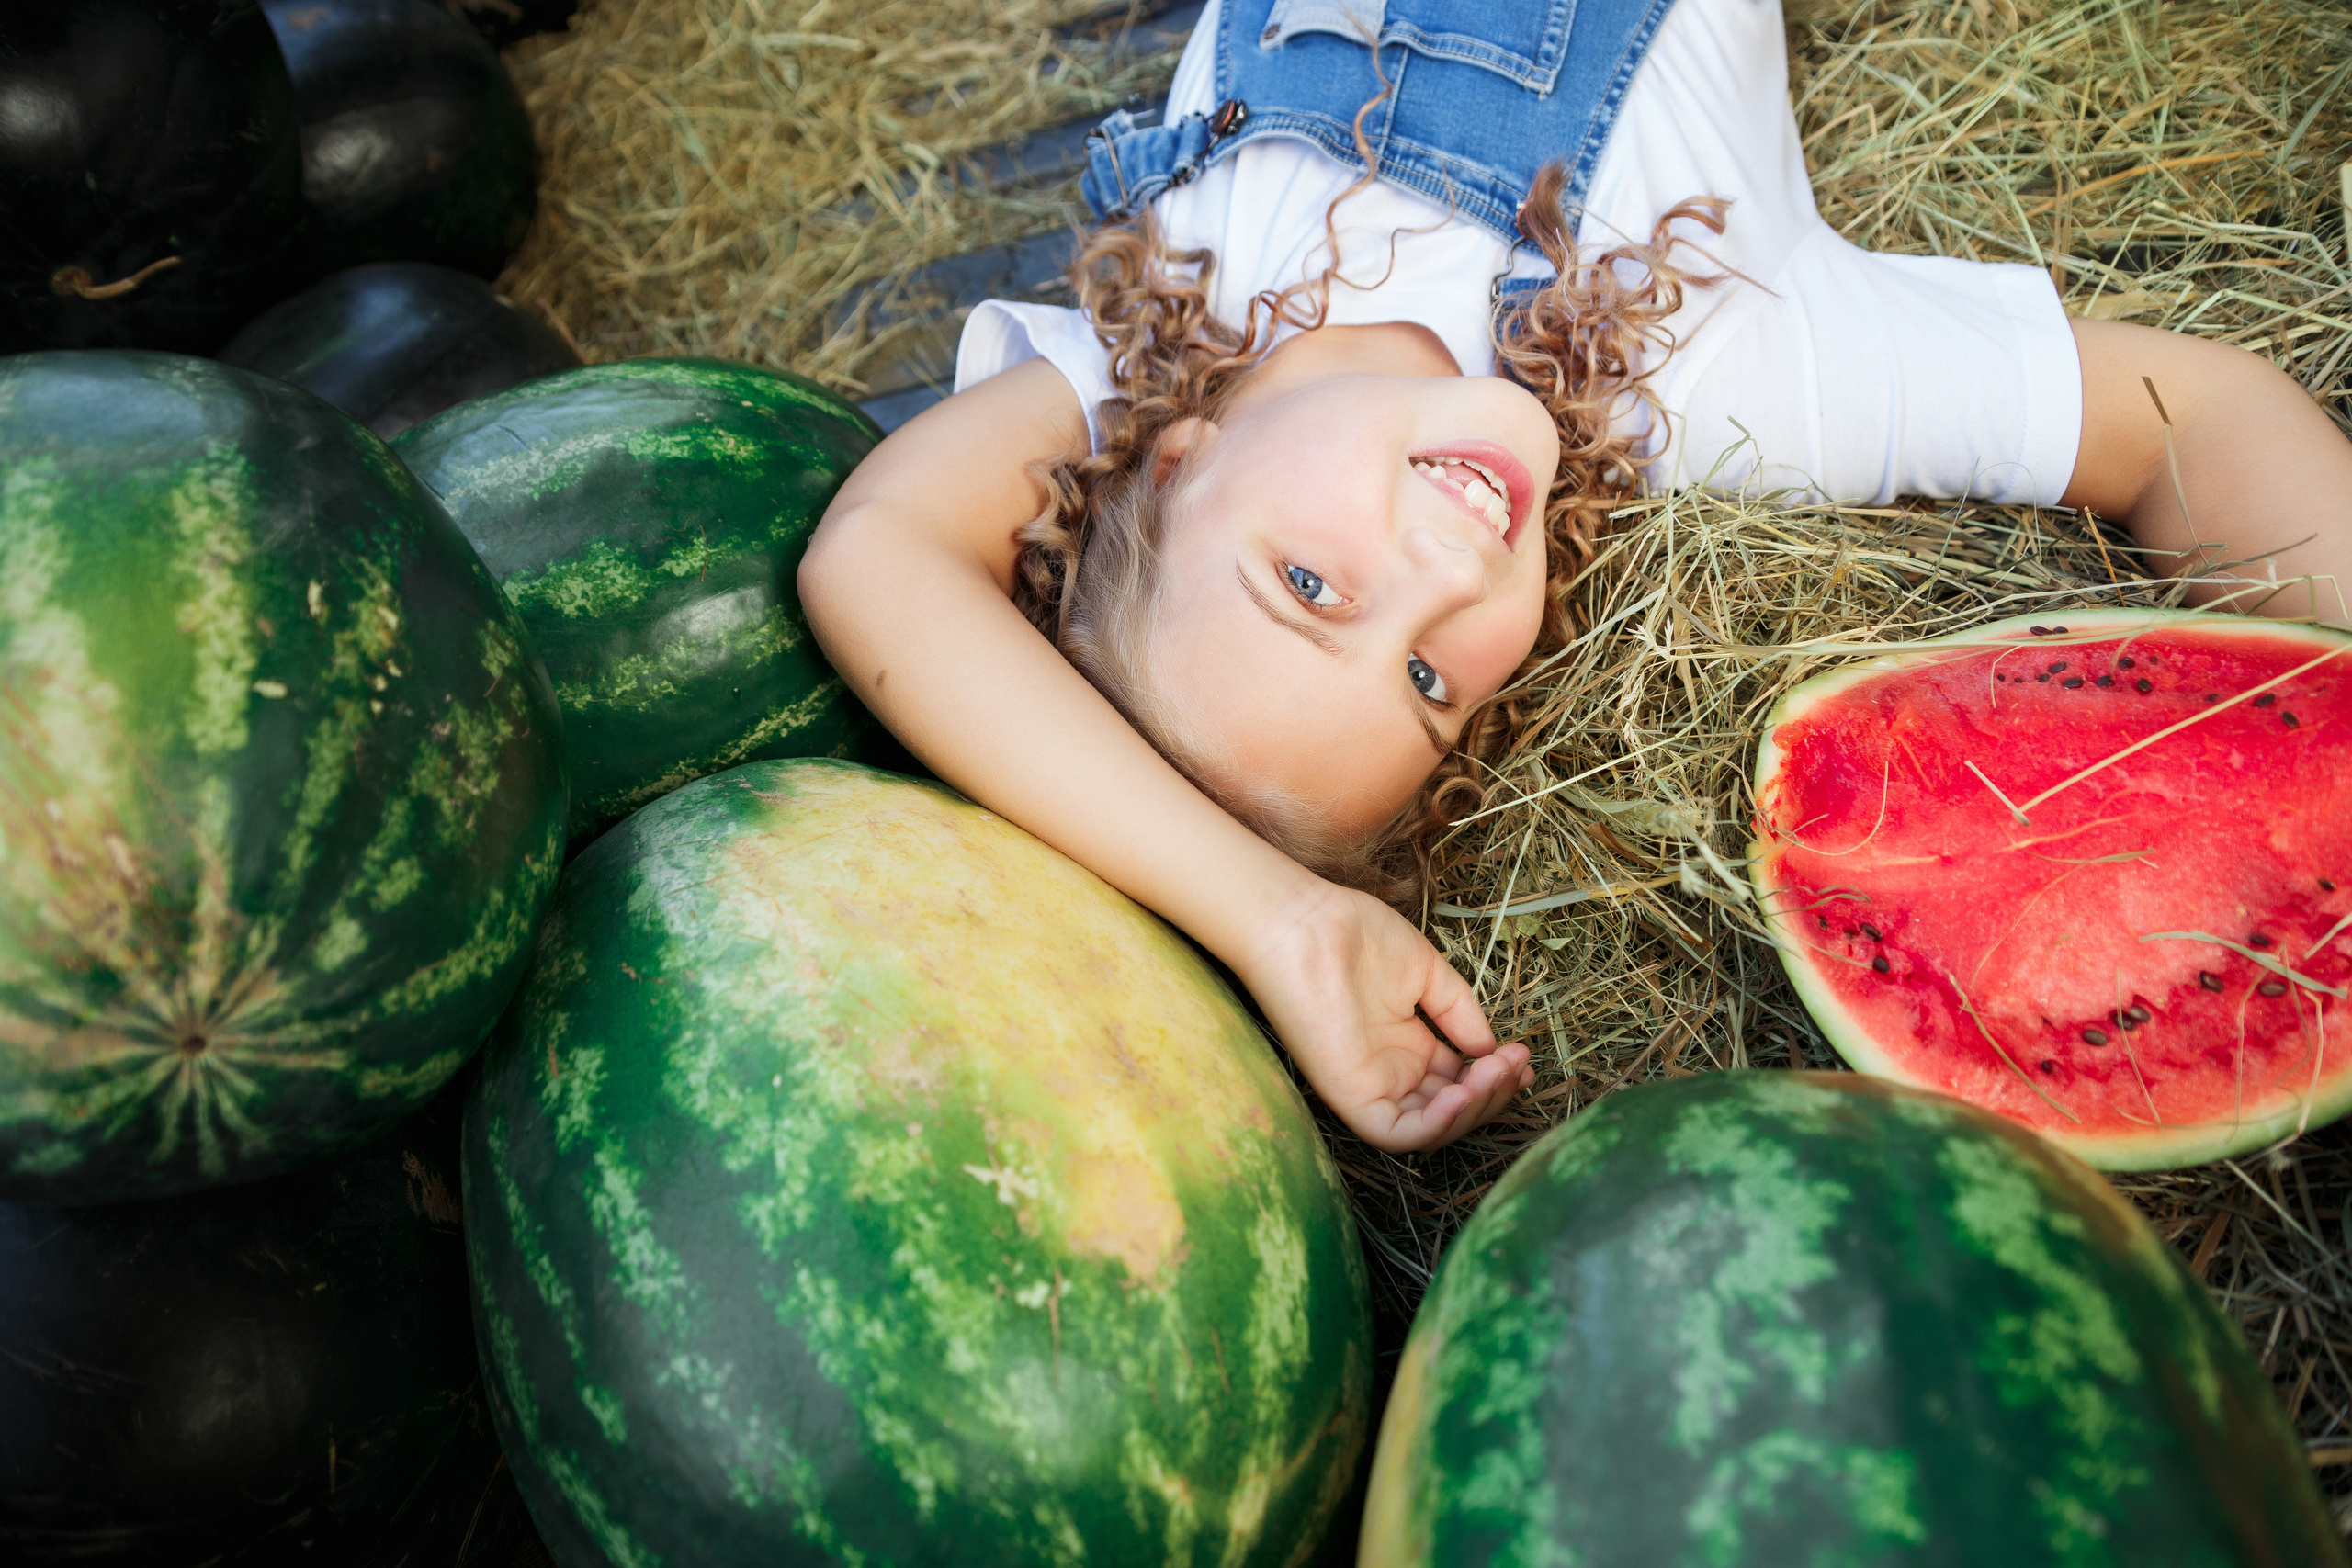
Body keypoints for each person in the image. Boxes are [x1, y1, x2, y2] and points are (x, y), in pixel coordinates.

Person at [798, 0, 2352, 1155]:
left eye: (1312, 591)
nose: (1442, 577)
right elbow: (2197, 424)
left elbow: (876, 556)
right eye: (1427, 683)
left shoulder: (1152, 348)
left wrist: (1269, 918)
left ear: (1175, 462)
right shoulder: (1727, 379)